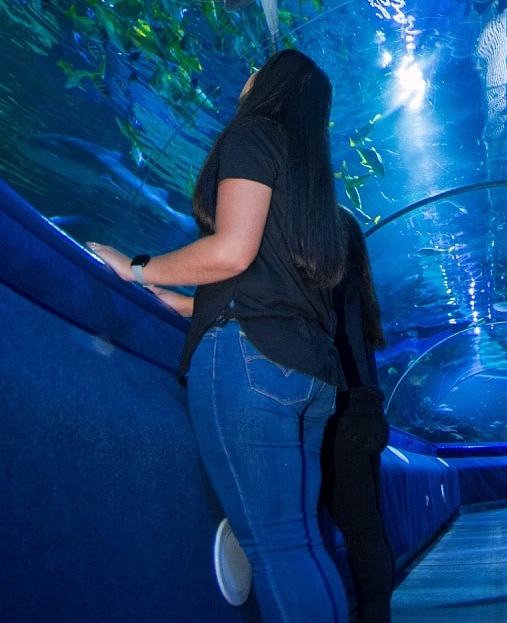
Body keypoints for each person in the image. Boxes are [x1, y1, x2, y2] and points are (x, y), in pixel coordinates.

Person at [87, 48, 394, 623]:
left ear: (275, 82)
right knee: (301, 545)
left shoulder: (255, 134)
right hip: (306, 374)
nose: (244, 77)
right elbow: (271, 279)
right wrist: (183, 303)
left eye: (256, 67)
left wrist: (135, 267)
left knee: (277, 550)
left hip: (250, 362)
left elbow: (231, 251)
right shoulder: (317, 192)